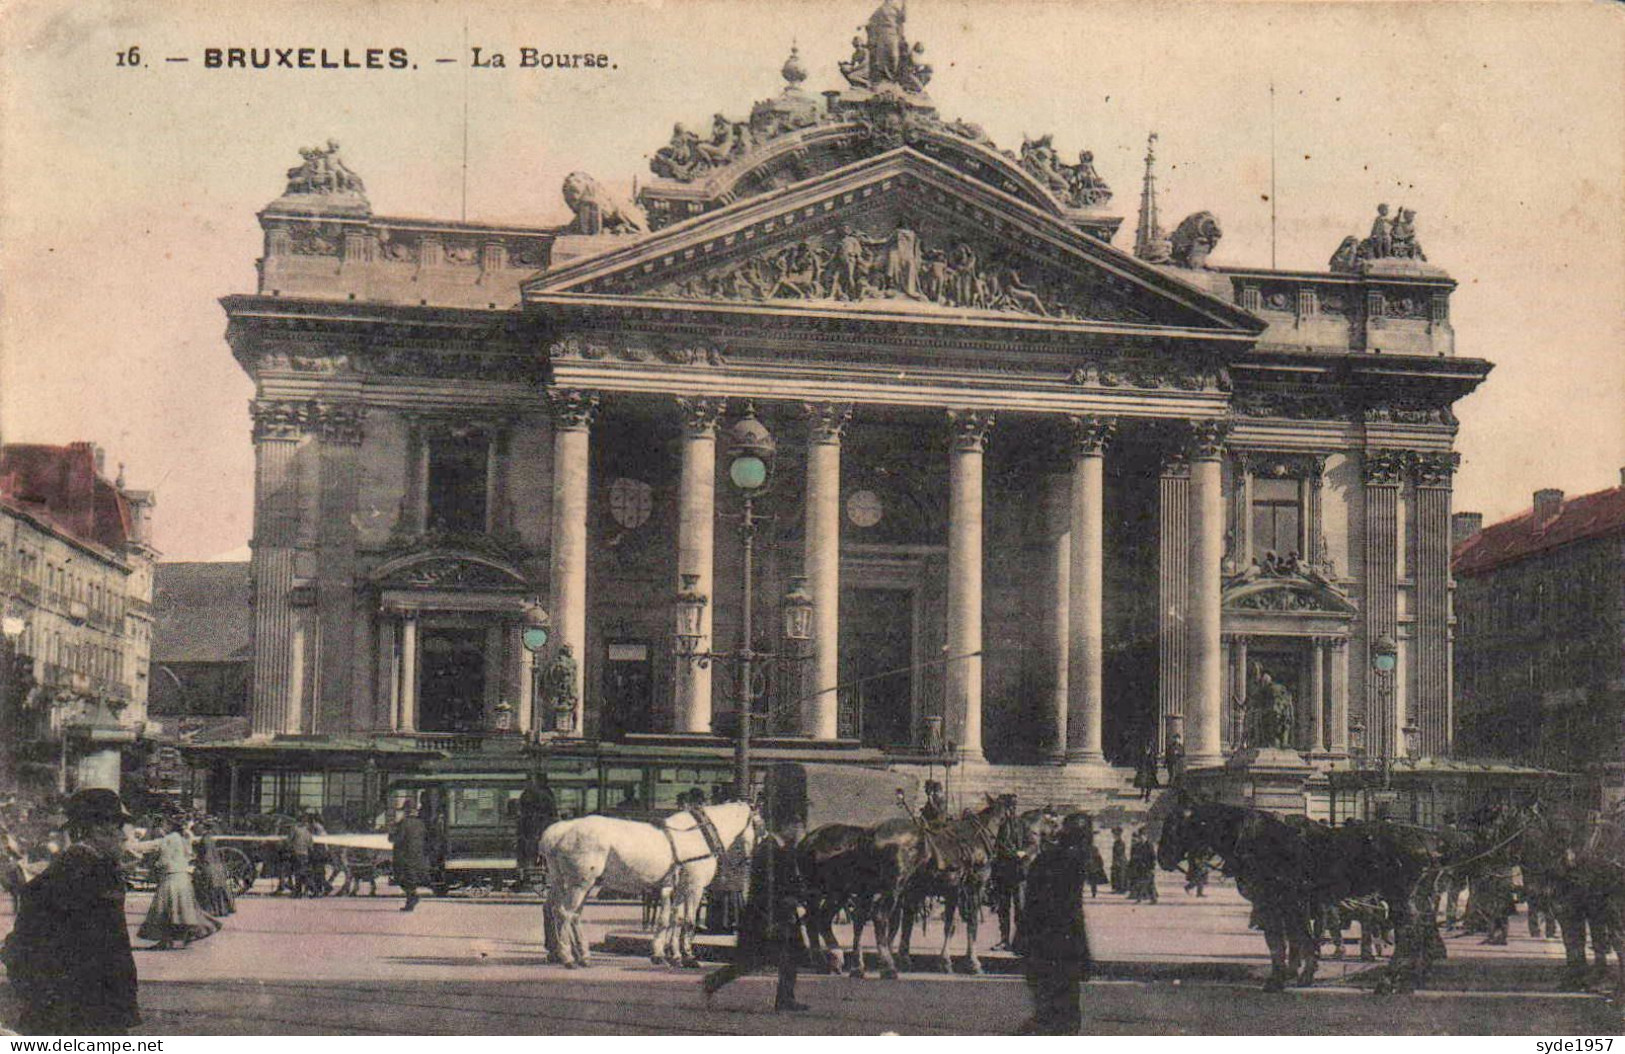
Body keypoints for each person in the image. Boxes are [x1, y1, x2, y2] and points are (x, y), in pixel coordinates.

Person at [2, 789, 140, 1034]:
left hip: (65, 1004)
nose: (123, 837)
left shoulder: (68, 868)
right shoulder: (94, 873)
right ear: (99, 830)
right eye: (119, 829)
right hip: (87, 1007)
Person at [700, 819, 808, 1012]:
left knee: (786, 957)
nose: (801, 831)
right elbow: (768, 886)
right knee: (753, 960)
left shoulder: (777, 847)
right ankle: (714, 981)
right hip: (767, 914)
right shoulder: (769, 849)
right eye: (798, 826)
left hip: (775, 912)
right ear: (786, 826)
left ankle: (785, 999)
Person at [1012, 813, 1094, 1035]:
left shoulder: (1051, 859)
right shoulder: (1080, 858)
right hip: (1069, 935)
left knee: (1044, 984)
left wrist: (1022, 933)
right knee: (1067, 989)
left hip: (1044, 933)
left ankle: (1047, 1023)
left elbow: (1033, 900)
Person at [136, 816, 221, 950]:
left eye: (164, 823)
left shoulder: (169, 839)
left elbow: (154, 851)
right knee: (184, 910)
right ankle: (188, 935)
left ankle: (166, 941)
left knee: (164, 910)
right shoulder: (183, 839)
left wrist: (130, 845)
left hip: (172, 878)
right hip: (183, 879)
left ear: (169, 824)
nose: (162, 826)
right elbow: (189, 855)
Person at [514, 771, 557, 892]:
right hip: (540, 827)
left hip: (533, 828)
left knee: (528, 852)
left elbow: (523, 811)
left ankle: (527, 877)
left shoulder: (529, 794)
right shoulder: (548, 793)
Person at [192, 819, 236, 917]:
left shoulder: (205, 839)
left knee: (203, 883)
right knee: (218, 887)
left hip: (209, 865)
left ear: (204, 828)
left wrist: (199, 863)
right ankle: (222, 909)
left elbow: (206, 855)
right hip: (217, 866)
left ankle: (210, 910)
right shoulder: (211, 838)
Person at [391, 800, 428, 912]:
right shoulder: (421, 823)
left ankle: (412, 899)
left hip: (404, 855)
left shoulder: (404, 823)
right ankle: (411, 900)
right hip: (417, 855)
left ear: (406, 810)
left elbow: (396, 839)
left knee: (403, 879)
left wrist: (393, 831)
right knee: (410, 879)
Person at [285, 814, 315, 897]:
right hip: (305, 854)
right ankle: (308, 889)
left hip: (297, 853)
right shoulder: (307, 831)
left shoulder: (295, 828)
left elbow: (289, 840)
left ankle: (300, 890)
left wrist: (288, 848)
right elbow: (310, 844)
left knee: (297, 873)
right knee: (302, 872)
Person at [1109, 827, 1127, 893]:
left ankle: (1121, 889)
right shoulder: (1116, 842)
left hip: (1121, 861)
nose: (1113, 836)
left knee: (1120, 875)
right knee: (1115, 875)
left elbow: (1120, 853)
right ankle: (1117, 888)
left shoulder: (1121, 843)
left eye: (1114, 835)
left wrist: (1117, 861)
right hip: (1117, 860)